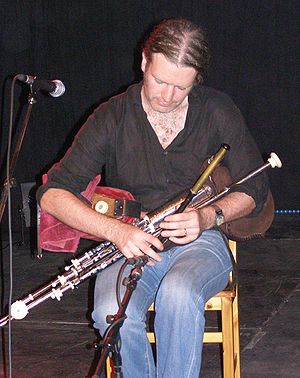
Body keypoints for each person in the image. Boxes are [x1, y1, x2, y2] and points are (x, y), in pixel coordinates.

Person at [37, 18, 269, 378]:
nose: (167, 96)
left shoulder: (217, 110)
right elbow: (52, 194)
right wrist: (116, 231)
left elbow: (255, 188)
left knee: (178, 293)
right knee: (110, 311)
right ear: (144, 62)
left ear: (196, 80)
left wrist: (209, 217)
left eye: (181, 87)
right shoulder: (112, 117)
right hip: (132, 240)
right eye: (160, 81)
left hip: (202, 240)